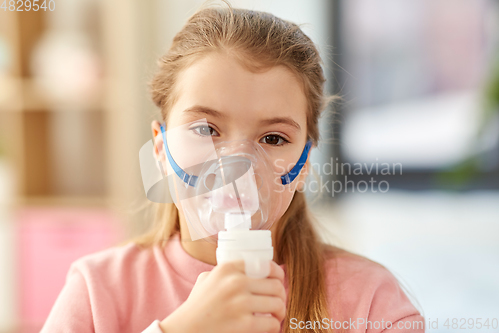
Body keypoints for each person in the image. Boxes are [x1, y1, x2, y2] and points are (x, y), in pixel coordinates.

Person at [41, 4, 425, 333]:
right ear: (161, 149)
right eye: (206, 129)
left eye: (273, 138)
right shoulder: (97, 292)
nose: (237, 167)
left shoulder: (371, 304)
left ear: (304, 163)